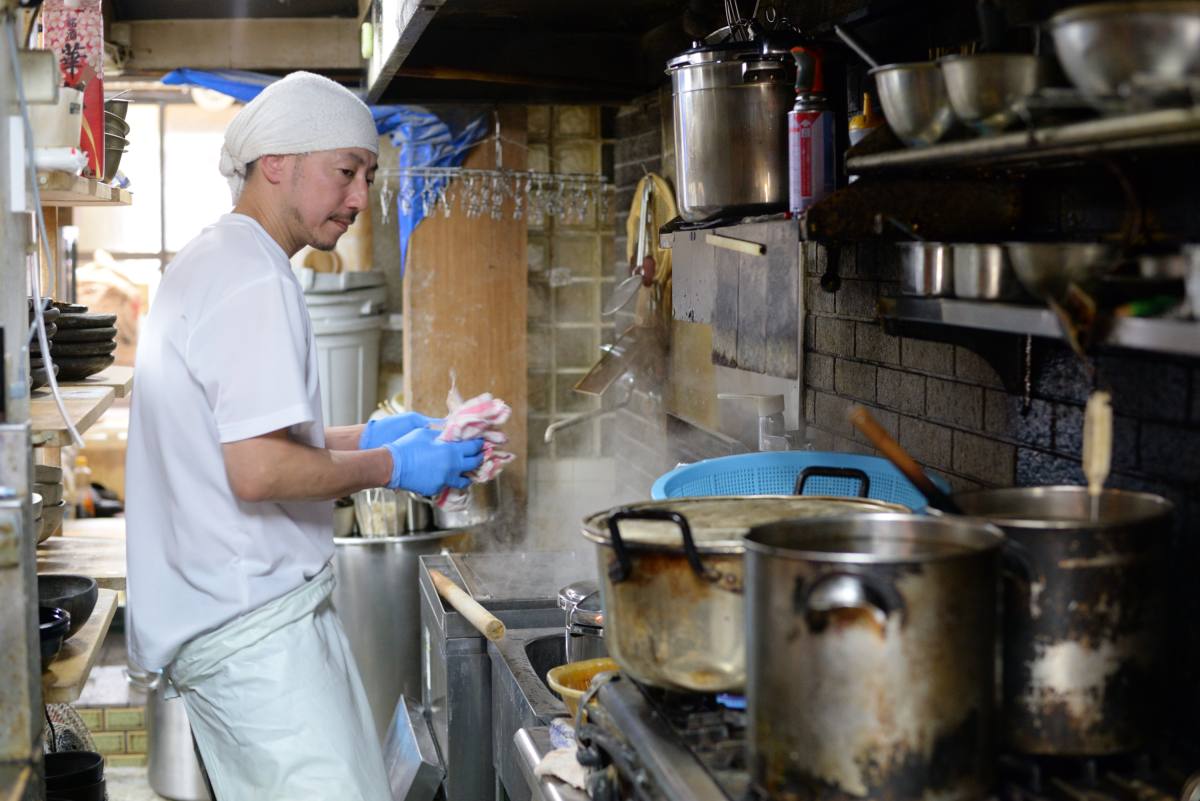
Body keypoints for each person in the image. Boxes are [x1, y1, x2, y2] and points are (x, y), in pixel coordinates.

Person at [124, 72, 481, 800]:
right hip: (251, 634)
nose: (358, 199)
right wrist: (391, 462)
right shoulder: (251, 277)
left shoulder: (223, 259)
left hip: (251, 622)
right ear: (276, 163)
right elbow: (256, 468)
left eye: (367, 176)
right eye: (345, 172)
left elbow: (250, 432)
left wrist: (376, 431)